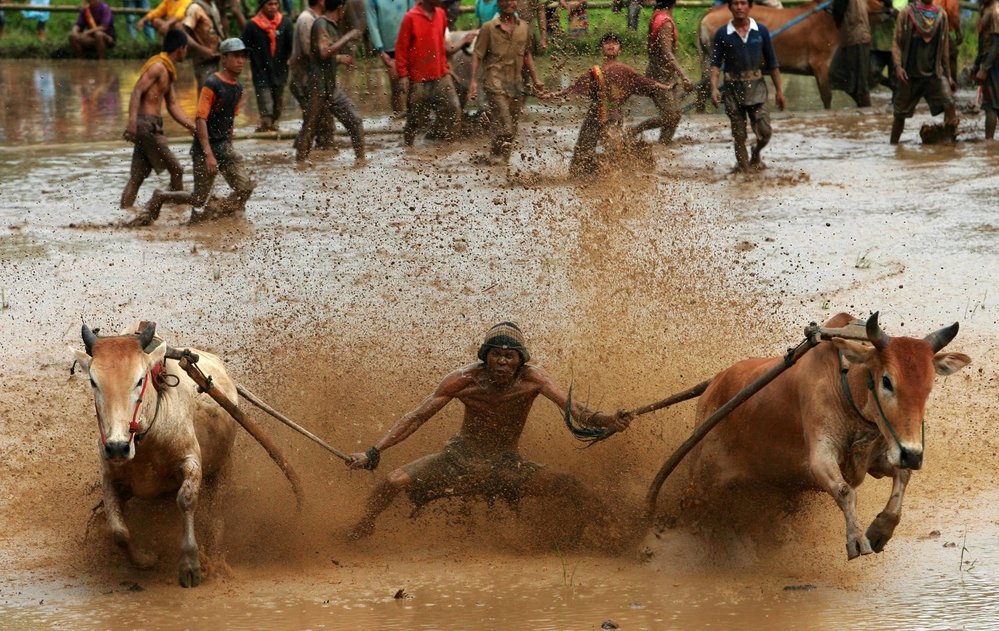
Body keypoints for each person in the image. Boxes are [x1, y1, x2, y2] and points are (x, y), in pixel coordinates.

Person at [345, 322, 633, 539]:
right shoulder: (463, 380)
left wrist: (609, 421)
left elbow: (576, 410)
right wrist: (373, 452)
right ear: (486, 357)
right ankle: (362, 526)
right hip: (457, 459)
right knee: (393, 482)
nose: (503, 362)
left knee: (569, 484)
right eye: (497, 355)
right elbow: (416, 417)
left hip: (506, 463)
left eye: (510, 356)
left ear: (521, 359)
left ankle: (615, 533)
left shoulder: (534, 380)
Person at [144, 38, 256, 224]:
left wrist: (230, 146)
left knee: (245, 187)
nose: (241, 60)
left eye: (243, 56)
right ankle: (161, 197)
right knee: (198, 198)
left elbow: (230, 120)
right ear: (224, 59)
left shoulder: (238, 88)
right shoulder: (211, 84)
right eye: (236, 56)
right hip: (205, 149)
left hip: (223, 146)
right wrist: (208, 154)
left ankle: (219, 212)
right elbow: (201, 119)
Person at [548, 32, 673, 176]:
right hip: (594, 115)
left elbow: (645, 82)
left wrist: (667, 87)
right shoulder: (595, 71)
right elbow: (574, 88)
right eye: (607, 42)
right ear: (602, 48)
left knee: (615, 147)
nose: (611, 45)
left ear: (620, 50)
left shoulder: (626, 71)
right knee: (582, 150)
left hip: (613, 115)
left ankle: (622, 171)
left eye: (615, 42)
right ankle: (585, 175)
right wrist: (551, 95)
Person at [120, 28, 195, 215]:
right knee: (177, 169)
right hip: (147, 126)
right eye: (186, 49)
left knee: (137, 177)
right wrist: (131, 123)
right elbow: (137, 90)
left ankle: (124, 214)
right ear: (181, 49)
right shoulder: (158, 67)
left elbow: (173, 106)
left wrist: (193, 127)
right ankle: (177, 212)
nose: (186, 53)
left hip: (149, 126)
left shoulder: (168, 71)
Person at [709, 0, 785, 172]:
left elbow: (772, 63)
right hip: (732, 89)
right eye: (735, 3)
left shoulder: (761, 31)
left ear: (750, 6)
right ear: (729, 7)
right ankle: (745, 176)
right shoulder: (722, 34)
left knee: (765, 132)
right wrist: (714, 87)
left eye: (743, 3)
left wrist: (780, 91)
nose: (739, 7)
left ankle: (756, 152)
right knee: (739, 135)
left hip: (757, 87)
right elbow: (715, 64)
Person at [467, 0, 543, 164]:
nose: (509, 2)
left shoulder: (524, 28)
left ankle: (498, 158)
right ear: (499, 3)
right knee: (505, 124)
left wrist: (536, 78)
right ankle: (498, 159)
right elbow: (477, 54)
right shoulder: (488, 28)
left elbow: (527, 54)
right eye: (504, 0)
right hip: (494, 82)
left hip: (515, 83)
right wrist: (473, 81)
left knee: (512, 125)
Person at [395, 0, 476, 146]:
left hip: (441, 75)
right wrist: (403, 76)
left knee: (454, 109)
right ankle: (408, 148)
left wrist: (447, 68)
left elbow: (442, 45)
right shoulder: (410, 17)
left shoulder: (441, 14)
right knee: (414, 118)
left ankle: (451, 146)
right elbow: (401, 50)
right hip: (418, 79)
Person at [296, 0, 366, 164]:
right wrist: (348, 37)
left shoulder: (331, 25)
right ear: (340, 8)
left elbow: (325, 55)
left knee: (354, 120)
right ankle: (300, 163)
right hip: (317, 87)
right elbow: (323, 51)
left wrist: (340, 58)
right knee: (310, 127)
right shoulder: (321, 23)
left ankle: (361, 160)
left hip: (331, 87)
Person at [889, 0, 957, 144]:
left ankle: (949, 142)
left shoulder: (940, 15)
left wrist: (948, 76)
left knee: (949, 103)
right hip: (910, 75)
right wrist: (898, 67)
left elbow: (944, 48)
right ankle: (893, 147)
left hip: (934, 74)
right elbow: (896, 42)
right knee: (899, 115)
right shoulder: (906, 13)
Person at [630, 0, 695, 145]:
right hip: (660, 76)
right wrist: (684, 76)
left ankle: (664, 145)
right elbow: (667, 53)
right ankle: (633, 131)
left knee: (676, 115)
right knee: (669, 116)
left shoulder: (659, 15)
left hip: (668, 74)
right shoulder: (664, 22)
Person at [242, 0, 293, 132]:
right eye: (269, 4)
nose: (273, 7)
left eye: (276, 4)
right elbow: (244, 49)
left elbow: (291, 48)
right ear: (262, 5)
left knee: (277, 107)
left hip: (280, 71)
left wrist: (292, 61)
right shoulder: (252, 25)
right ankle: (266, 129)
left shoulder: (285, 23)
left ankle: (270, 134)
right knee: (266, 109)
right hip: (260, 72)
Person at [366, 0, 416, 114]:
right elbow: (373, 25)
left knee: (413, 82)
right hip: (388, 49)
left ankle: (413, 116)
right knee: (396, 83)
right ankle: (398, 115)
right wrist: (380, 50)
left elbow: (413, 13)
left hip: (409, 45)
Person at [830, 0, 872, 106]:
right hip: (849, 38)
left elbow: (838, 12)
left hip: (856, 38)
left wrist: (831, 10)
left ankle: (867, 110)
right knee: (835, 74)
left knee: (861, 85)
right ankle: (862, 105)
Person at [182, 0, 224, 90]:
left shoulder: (212, 5)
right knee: (206, 92)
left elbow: (217, 30)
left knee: (214, 93)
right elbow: (184, 34)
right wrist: (202, 50)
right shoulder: (194, 8)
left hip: (215, 57)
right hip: (202, 59)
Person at [974, 0, 999, 140]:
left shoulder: (995, 11)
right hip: (989, 60)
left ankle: (989, 144)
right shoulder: (986, 9)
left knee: (990, 106)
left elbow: (996, 45)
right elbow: (983, 41)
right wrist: (977, 64)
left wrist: (984, 68)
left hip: (994, 63)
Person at [933, 0, 960, 85]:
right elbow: (952, 10)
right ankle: (950, 84)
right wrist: (957, 30)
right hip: (939, 25)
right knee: (951, 53)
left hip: (927, 24)